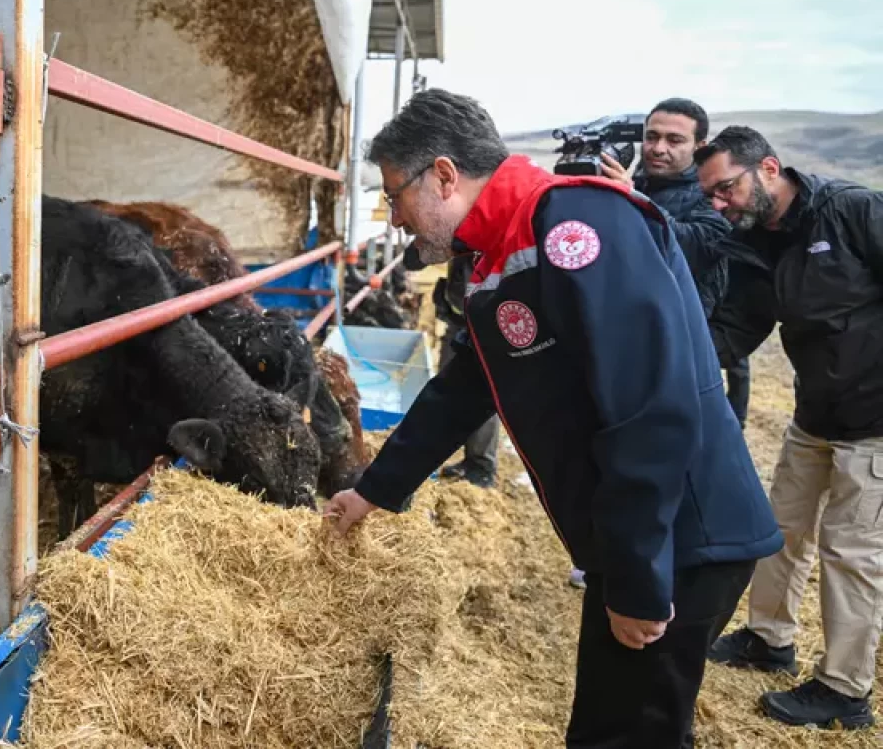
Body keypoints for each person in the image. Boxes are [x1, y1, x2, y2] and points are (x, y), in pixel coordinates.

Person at [323, 89, 783, 748]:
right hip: (640, 534)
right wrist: (373, 490)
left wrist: (636, 579)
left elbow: (649, 407)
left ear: (444, 175)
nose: (394, 219)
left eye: (395, 195)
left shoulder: (577, 228)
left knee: (628, 734)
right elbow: (467, 386)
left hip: (680, 534)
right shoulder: (499, 250)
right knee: (612, 727)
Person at [698, 126, 882, 731]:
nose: (719, 203)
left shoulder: (851, 211)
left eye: (725, 188)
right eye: (710, 195)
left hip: (875, 421)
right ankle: (768, 638)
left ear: (769, 169)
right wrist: (675, 367)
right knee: (779, 529)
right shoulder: (755, 240)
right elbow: (739, 325)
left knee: (850, 552)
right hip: (815, 414)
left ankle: (844, 690)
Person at [599, 97, 751, 428]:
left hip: (687, 348)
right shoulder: (637, 182)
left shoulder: (714, 193)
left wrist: (633, 199)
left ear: (700, 147)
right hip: (631, 341)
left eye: (674, 140)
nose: (658, 148)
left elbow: (696, 245)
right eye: (652, 137)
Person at [430, 254, 501, 488]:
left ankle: (482, 466)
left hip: (481, 324)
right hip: (459, 319)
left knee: (481, 392)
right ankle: (471, 460)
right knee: (450, 389)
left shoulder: (483, 243)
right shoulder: (459, 243)